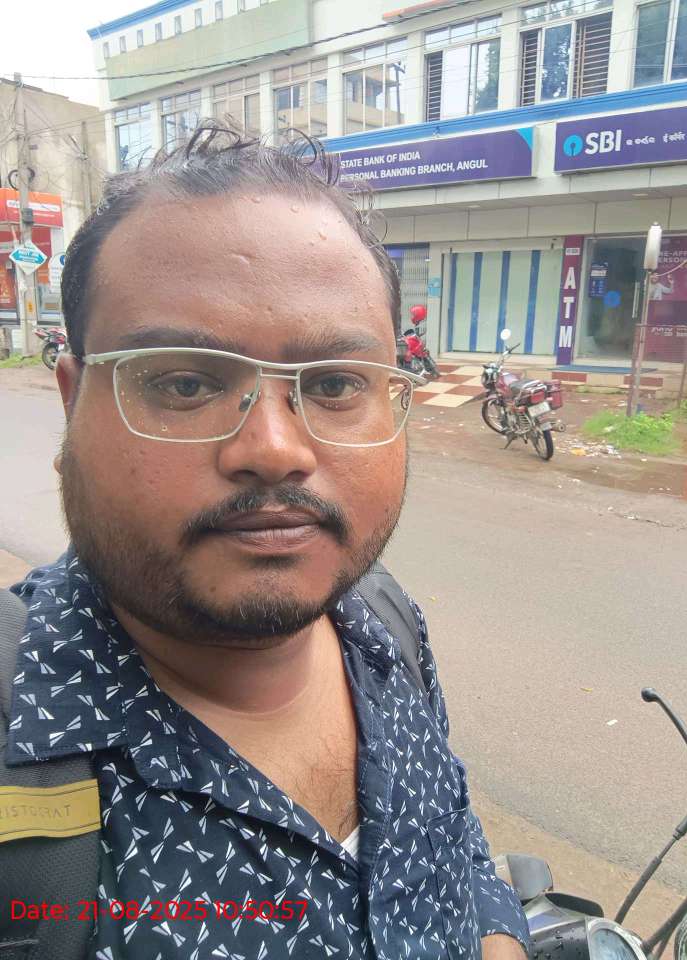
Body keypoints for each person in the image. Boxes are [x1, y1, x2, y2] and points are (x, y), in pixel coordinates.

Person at [3, 124, 530, 959]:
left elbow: (452, 840)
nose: (276, 449)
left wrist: (499, 937)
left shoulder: (385, 626)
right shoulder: (19, 746)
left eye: (335, 384)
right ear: (73, 404)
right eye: (186, 383)